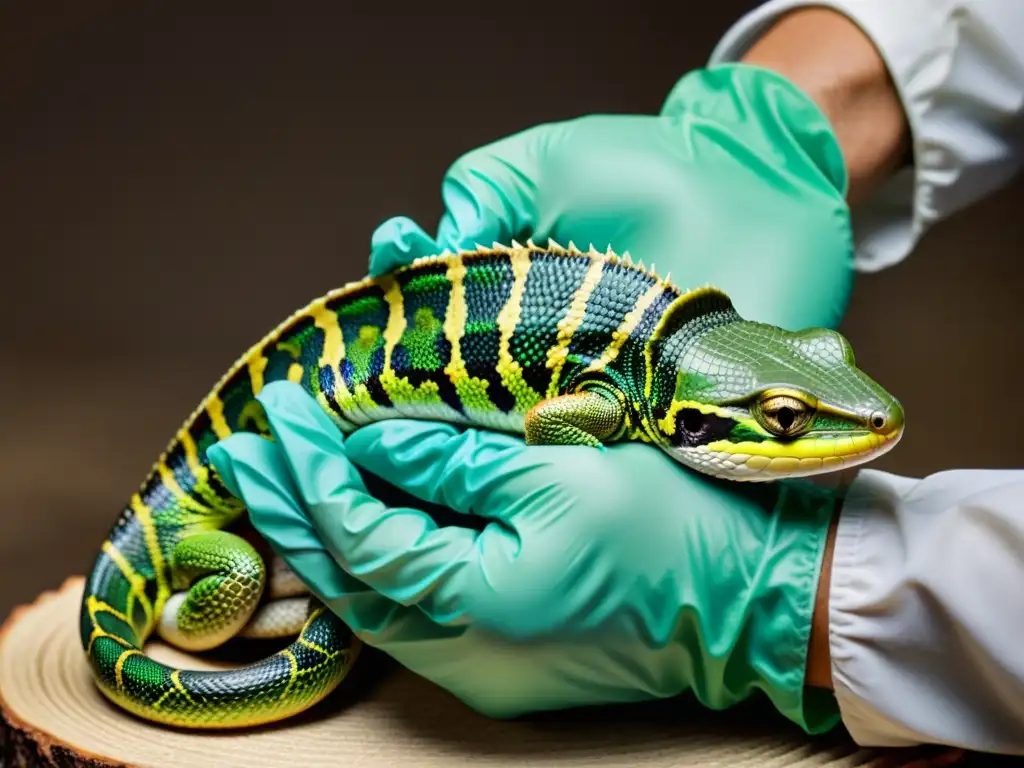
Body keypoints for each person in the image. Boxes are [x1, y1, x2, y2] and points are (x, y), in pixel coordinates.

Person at [206, 1, 1024, 756]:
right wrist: (785, 124)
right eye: (783, 414)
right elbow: (552, 421)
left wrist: (794, 595)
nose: (871, 421)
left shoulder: (657, 399)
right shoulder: (628, 399)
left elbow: (557, 423)